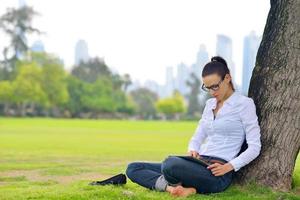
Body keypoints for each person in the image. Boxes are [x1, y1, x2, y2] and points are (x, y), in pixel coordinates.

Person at [125, 56, 261, 197]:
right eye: (207, 88)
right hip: (197, 163)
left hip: (217, 173)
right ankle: (173, 189)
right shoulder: (210, 105)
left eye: (215, 86)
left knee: (170, 164)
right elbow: (198, 135)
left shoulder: (244, 104)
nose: (212, 92)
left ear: (227, 78)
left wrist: (229, 166)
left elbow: (255, 146)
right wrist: (193, 149)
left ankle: (181, 184)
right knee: (133, 168)